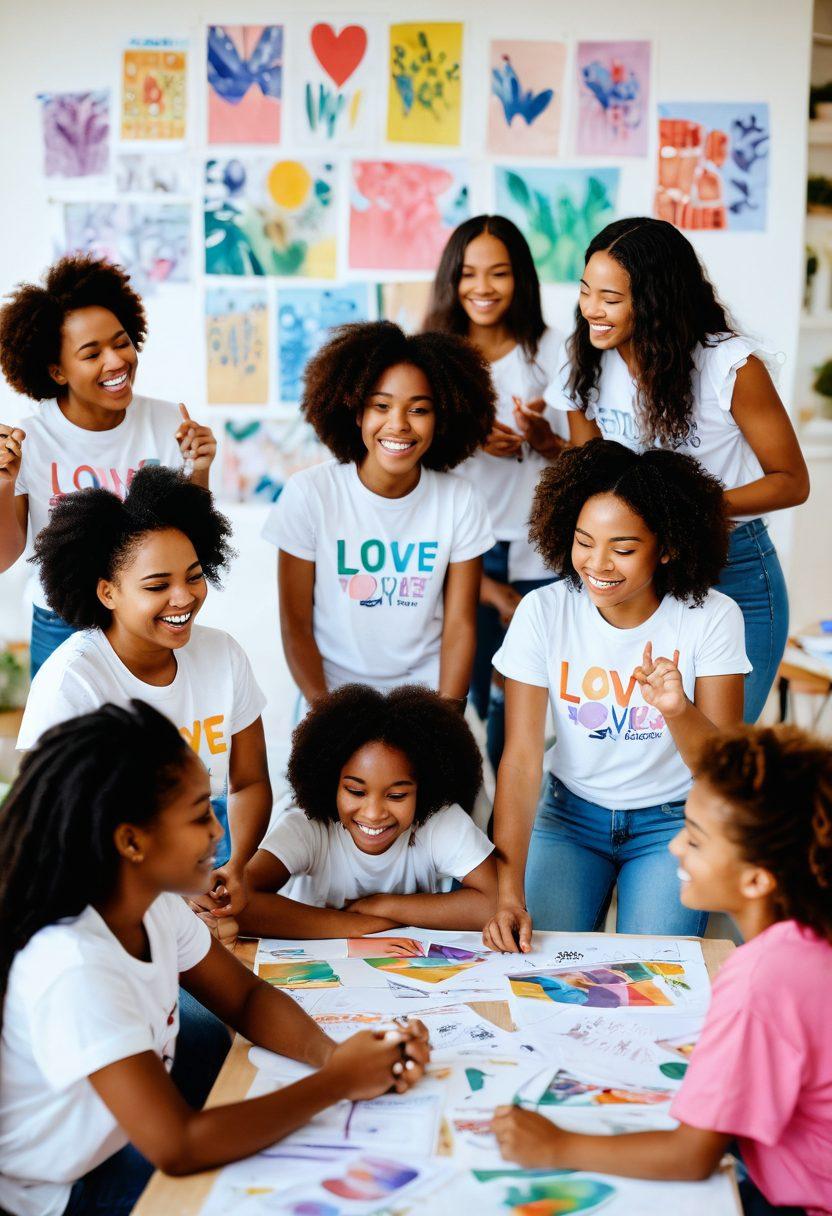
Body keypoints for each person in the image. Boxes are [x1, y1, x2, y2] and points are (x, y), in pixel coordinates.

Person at [0, 701, 430, 1216]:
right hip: (69, 1192)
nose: (219, 833)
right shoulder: (74, 966)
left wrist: (333, 1056)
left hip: (113, 1145)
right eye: (200, 813)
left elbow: (245, 997)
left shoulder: (154, 906)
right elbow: (179, 1147)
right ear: (131, 840)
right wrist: (337, 1082)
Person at [492, 722, 832, 1216]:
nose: (674, 848)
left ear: (758, 878)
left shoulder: (763, 974)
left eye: (694, 840)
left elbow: (692, 1156)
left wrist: (555, 1145)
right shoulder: (807, 939)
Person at [482, 440, 749, 947]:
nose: (597, 564)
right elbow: (519, 760)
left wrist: (677, 709)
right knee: (538, 968)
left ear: (666, 547)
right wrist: (507, 893)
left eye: (623, 549)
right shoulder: (544, 611)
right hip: (567, 816)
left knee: (655, 980)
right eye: (584, 541)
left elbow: (725, 770)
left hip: (670, 825)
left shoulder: (712, 618)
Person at [550, 217, 809, 722]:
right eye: (585, 291)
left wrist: (680, 512)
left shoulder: (730, 367)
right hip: (636, 576)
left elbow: (792, 481)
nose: (591, 311)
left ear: (654, 301)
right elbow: (589, 475)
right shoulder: (586, 359)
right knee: (644, 749)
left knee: (714, 759)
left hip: (732, 571)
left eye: (610, 298)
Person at [17, 464, 265, 915]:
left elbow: (249, 782)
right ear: (108, 592)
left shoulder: (222, 655)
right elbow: (55, 833)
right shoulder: (71, 682)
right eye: (157, 585)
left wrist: (237, 867)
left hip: (201, 873)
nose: (184, 597)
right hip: (108, 900)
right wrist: (165, 892)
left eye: (193, 576)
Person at [425, 214, 599, 772]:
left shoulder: (557, 351)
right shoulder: (432, 357)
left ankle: (512, 831)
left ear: (521, 279)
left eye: (498, 273)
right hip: (460, 549)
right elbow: (403, 456)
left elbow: (595, 460)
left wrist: (547, 441)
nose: (482, 287)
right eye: (469, 274)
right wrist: (467, 434)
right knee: (472, 693)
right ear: (452, 280)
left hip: (538, 549)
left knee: (523, 697)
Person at [0, 255, 216, 676]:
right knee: (69, 744)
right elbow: (3, 557)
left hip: (149, 617)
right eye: (91, 353)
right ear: (57, 370)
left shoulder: (169, 422)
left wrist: (200, 471)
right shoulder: (32, 439)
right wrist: (3, 485)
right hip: (62, 623)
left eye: (121, 343)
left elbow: (195, 545)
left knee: (148, 741)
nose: (116, 362)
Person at [262, 321, 495, 706]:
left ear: (441, 419)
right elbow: (295, 626)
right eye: (381, 406)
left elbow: (460, 626)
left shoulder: (460, 501)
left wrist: (446, 714)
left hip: (425, 696)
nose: (398, 424)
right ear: (356, 412)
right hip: (332, 696)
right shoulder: (310, 494)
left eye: (418, 409)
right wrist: (327, 713)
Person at [219, 684, 497, 939]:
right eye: (356, 791)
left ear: (425, 790)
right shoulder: (308, 825)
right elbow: (237, 901)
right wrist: (362, 924)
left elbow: (496, 903)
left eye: (397, 795)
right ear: (331, 784)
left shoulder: (439, 822)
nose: (374, 813)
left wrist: (381, 905)